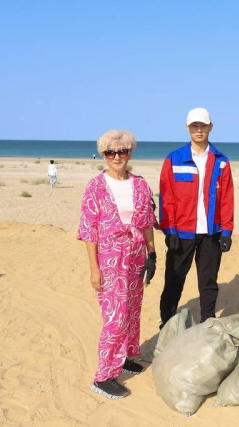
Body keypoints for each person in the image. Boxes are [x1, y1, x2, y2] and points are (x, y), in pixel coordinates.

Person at [77, 130, 157, 400]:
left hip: (135, 257)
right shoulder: (95, 187)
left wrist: (152, 253)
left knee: (133, 311)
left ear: (130, 152)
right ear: (103, 155)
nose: (117, 157)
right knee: (115, 318)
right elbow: (88, 231)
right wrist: (94, 269)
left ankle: (125, 358)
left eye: (122, 151)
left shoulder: (140, 184)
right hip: (110, 260)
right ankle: (103, 376)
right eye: (110, 152)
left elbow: (146, 222)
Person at [158, 107, 234, 326]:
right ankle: (167, 324)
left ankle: (207, 324)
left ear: (210, 127)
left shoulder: (221, 161)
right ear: (187, 128)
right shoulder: (174, 159)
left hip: (211, 232)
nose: (199, 130)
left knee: (208, 282)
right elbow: (167, 198)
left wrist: (227, 231)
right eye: (194, 126)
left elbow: (227, 199)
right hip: (181, 233)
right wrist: (169, 230)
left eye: (203, 125)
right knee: (173, 280)